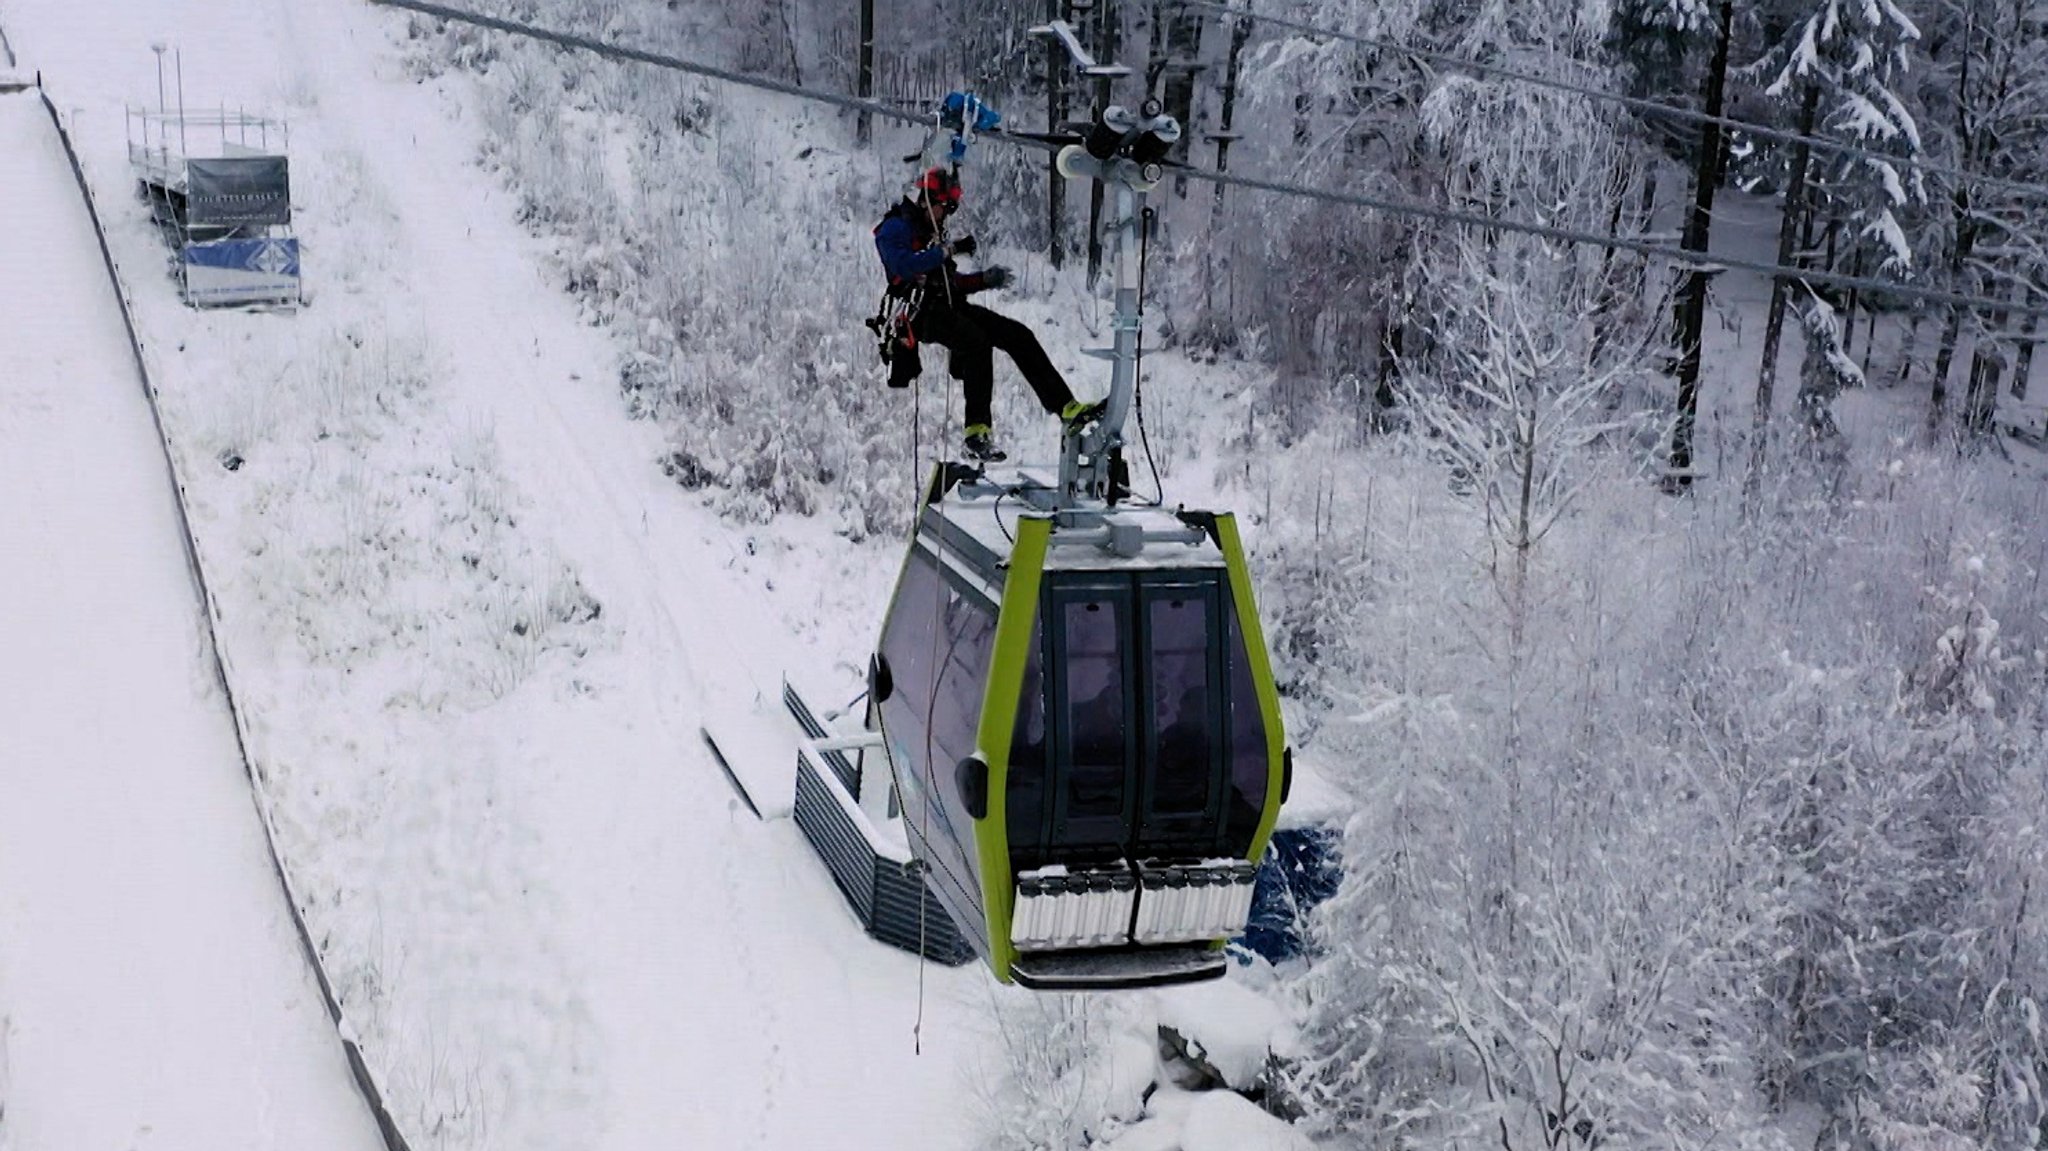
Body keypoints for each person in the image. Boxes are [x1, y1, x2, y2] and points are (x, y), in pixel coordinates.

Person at [873, 166, 1105, 462]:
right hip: (921, 313)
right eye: (944, 208)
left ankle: (1066, 408)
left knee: (1017, 335)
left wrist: (982, 280)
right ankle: (976, 433)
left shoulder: (929, 233)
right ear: (927, 200)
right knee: (976, 342)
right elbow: (903, 266)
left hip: (948, 305)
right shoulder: (896, 227)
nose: (945, 216)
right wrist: (947, 250)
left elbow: (948, 282)